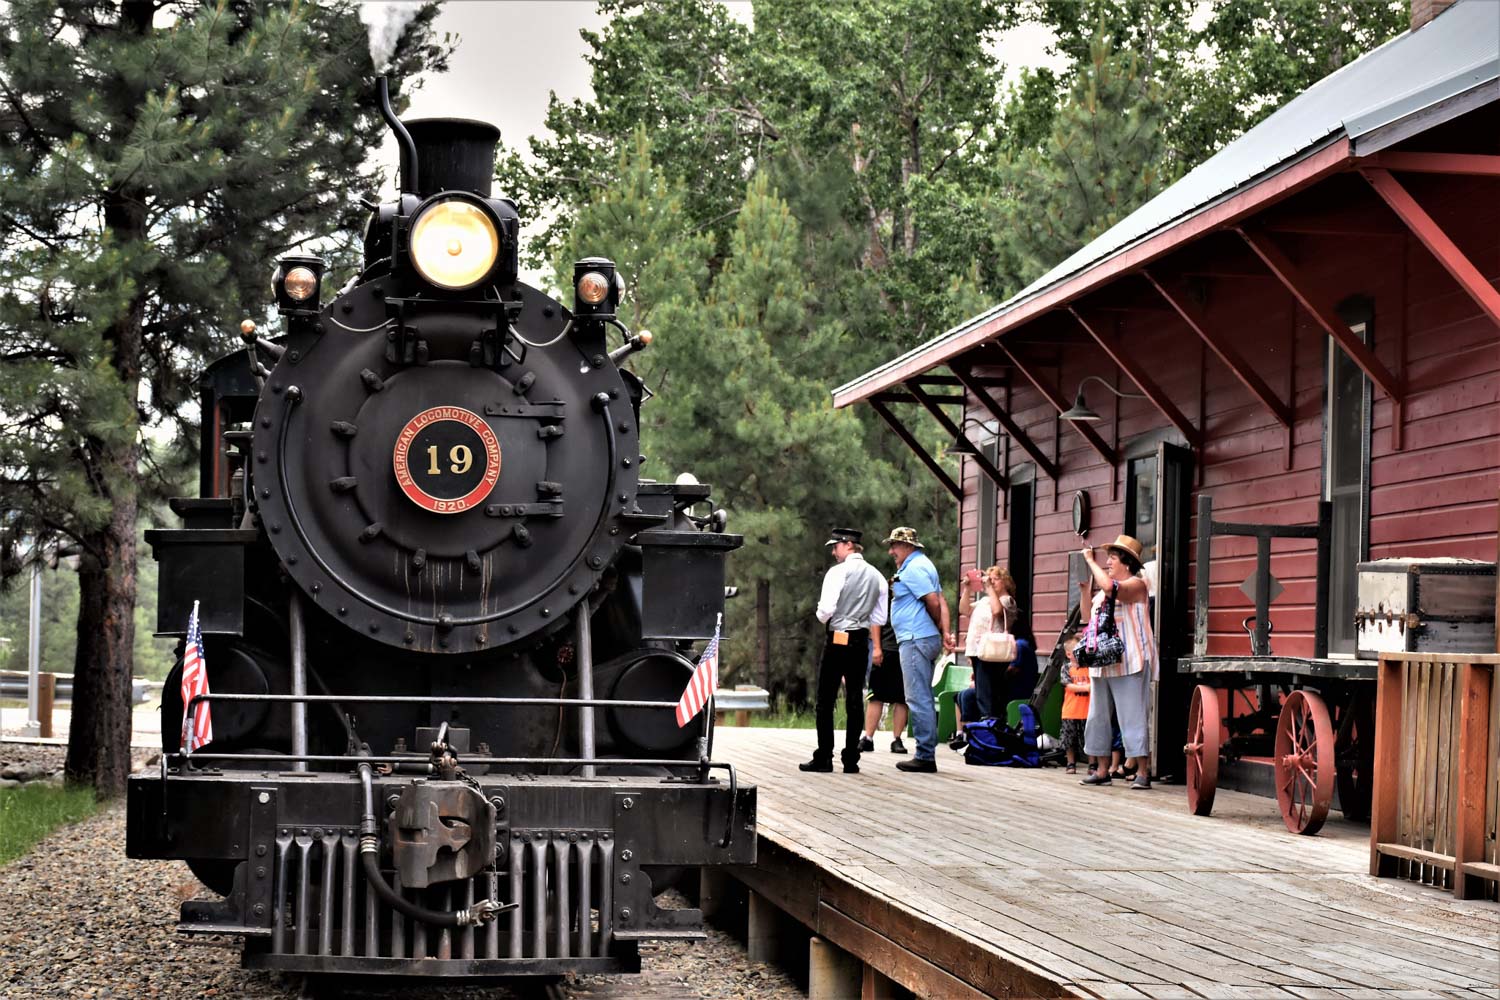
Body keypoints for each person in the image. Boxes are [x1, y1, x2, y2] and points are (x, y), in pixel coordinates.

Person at [801, 528, 886, 774]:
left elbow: (826, 610)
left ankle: (824, 756)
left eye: (835, 546)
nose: (833, 551)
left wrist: (823, 616)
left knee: (825, 700)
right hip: (861, 639)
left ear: (848, 545)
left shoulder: (837, 572)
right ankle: (851, 758)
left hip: (838, 636)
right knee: (854, 700)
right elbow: (880, 616)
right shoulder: (877, 576)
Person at [1078, 535, 1157, 790]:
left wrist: (1090, 561)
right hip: (1103, 660)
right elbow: (1087, 616)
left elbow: (1113, 589)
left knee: (1132, 714)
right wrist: (1083, 591)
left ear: (1126, 562)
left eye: (1112, 557)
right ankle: (1101, 769)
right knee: (1098, 716)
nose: (1108, 562)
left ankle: (1143, 771)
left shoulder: (1137, 584)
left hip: (1130, 658)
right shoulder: (1104, 589)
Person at [882, 526, 953, 773]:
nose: (891, 550)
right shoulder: (924, 565)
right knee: (920, 695)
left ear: (909, 546)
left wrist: (936, 625)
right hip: (921, 637)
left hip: (915, 637)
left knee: (917, 696)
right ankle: (925, 752)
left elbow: (933, 602)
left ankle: (925, 755)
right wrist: (945, 632)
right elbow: (942, 599)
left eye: (895, 545)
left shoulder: (913, 568)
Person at [859, 574, 908, 754]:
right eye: (895, 585)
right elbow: (875, 624)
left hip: (905, 650)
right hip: (886, 649)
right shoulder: (885, 602)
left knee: (902, 698)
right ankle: (868, 737)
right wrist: (877, 648)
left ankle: (897, 739)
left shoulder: (911, 603)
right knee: (876, 695)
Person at [1059, 636, 1090, 775]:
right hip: (1070, 710)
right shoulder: (1066, 668)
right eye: (1077, 651)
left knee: (1089, 738)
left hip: (1087, 710)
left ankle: (1093, 764)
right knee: (1069, 739)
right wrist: (1087, 688)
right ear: (1069, 654)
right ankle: (1071, 763)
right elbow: (1069, 685)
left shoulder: (1089, 668)